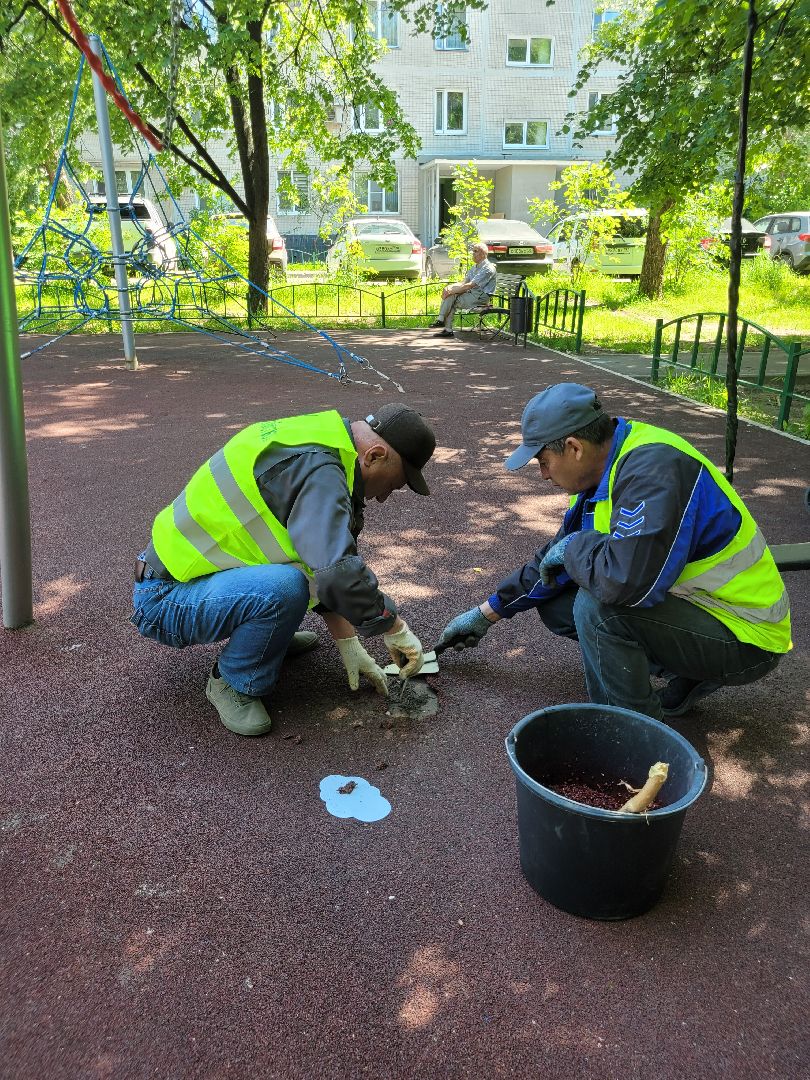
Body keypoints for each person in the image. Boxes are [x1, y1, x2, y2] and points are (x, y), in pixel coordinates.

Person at [435, 383, 791, 721]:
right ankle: (689, 673)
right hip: (698, 609)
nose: (543, 474)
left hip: (746, 636)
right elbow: (554, 560)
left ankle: (635, 738)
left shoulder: (653, 471)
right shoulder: (603, 469)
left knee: (599, 608)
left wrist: (575, 547)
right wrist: (487, 613)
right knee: (558, 603)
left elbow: (623, 583)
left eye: (543, 461)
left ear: (574, 448)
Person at [131, 403, 436, 736]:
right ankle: (232, 681)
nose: (384, 497)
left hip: (191, 578)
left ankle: (268, 636)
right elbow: (336, 572)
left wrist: (349, 643)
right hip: (165, 598)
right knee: (285, 587)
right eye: (393, 484)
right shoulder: (321, 473)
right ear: (374, 456)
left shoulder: (321, 439)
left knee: (295, 577)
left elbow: (320, 560)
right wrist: (394, 627)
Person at [430, 241, 496, 338]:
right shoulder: (475, 267)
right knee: (450, 295)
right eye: (473, 251)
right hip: (472, 294)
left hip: (481, 297)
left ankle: (443, 323)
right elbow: (463, 283)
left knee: (451, 299)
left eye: (475, 251)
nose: (472, 253)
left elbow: (469, 285)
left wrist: (451, 291)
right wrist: (449, 287)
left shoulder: (488, 268)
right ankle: (443, 323)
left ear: (483, 254)